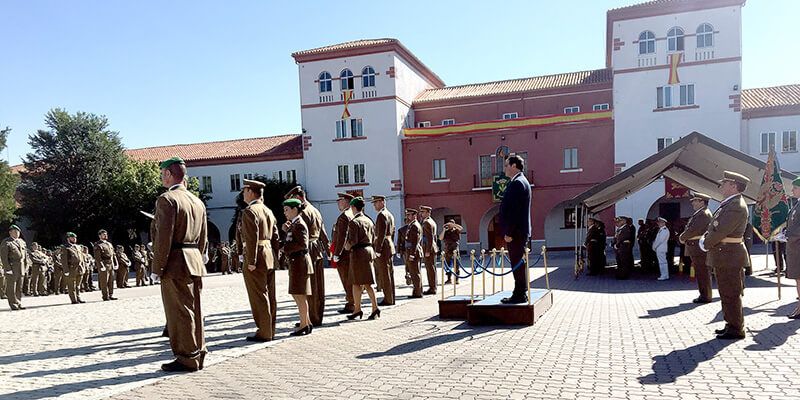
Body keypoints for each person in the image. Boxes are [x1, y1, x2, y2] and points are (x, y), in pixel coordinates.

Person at [152, 157, 208, 372]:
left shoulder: (167, 199)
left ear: (168, 174)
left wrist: (157, 268)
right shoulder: (197, 201)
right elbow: (202, 236)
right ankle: (198, 351)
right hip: (193, 259)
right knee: (195, 308)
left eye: (162, 173)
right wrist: (199, 256)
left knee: (179, 312)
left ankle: (186, 357)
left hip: (175, 261)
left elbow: (163, 238)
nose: (161, 177)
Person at [700, 171, 750, 340]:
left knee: (731, 292)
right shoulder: (730, 204)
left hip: (729, 255)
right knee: (726, 291)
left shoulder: (736, 205)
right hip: (725, 254)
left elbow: (721, 230)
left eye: (725, 183)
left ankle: (736, 328)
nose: (721, 186)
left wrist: (705, 243)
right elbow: (715, 227)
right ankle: (730, 324)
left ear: (734, 186)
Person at [240, 179, 279, 342]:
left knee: (259, 295)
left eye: (244, 190)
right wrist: (276, 257)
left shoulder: (250, 211)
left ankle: (264, 331)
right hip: (268, 255)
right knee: (270, 295)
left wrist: (251, 260)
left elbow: (251, 238)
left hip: (257, 257)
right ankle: (270, 328)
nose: (243, 194)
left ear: (250, 192)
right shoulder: (267, 210)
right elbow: (275, 237)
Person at [285, 185, 329, 327]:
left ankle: (309, 318)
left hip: (307, 249)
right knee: (318, 286)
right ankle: (316, 316)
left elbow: (297, 235)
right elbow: (323, 232)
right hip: (317, 248)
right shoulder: (315, 210)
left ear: (298, 197)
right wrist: (328, 249)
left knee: (308, 287)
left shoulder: (302, 213)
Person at [499, 154, 532, 304]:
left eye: (506, 165)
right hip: (519, 232)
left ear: (514, 166)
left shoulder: (518, 183)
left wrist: (509, 232)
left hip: (516, 233)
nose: (504, 168)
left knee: (517, 264)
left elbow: (514, 211)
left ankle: (519, 294)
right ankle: (520, 292)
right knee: (519, 264)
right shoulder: (521, 181)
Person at [344, 196, 380, 320]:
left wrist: (346, 247)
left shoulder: (354, 222)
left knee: (360, 283)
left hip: (358, 253)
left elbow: (352, 241)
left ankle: (369, 308)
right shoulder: (369, 220)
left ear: (353, 207)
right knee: (362, 283)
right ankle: (360, 309)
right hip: (369, 251)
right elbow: (374, 237)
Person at [281, 198, 313, 336]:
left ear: (295, 209)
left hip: (300, 261)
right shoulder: (294, 224)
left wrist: (285, 248)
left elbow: (302, 244)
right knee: (297, 294)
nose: (285, 213)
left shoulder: (299, 224)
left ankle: (304, 325)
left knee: (300, 295)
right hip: (296, 262)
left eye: (287, 210)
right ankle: (306, 321)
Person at [679, 192, 714, 303]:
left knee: (702, 272)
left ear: (702, 202)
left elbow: (693, 230)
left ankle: (705, 296)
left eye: (695, 201)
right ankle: (704, 294)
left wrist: (682, 237)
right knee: (701, 272)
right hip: (696, 246)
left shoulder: (703, 214)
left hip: (698, 247)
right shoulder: (700, 213)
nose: (693, 203)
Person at [331, 192, 355, 314]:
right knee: (350, 279)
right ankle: (352, 301)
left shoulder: (344, 216)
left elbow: (342, 237)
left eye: (339, 200)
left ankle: (352, 303)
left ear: (346, 201)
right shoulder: (351, 215)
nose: (338, 202)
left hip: (344, 254)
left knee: (346, 278)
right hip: (349, 252)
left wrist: (337, 254)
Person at [371, 195, 396, 306]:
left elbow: (381, 234)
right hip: (389, 245)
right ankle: (391, 297)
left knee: (385, 273)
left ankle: (388, 299)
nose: (374, 205)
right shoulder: (389, 214)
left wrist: (378, 249)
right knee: (389, 273)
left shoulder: (382, 215)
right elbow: (393, 231)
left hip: (383, 246)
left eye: (376, 202)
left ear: (382, 202)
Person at [2, 225, 30, 310]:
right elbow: (4, 257)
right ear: (10, 232)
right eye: (14, 232)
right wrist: (7, 269)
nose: (16, 233)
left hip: (21, 268)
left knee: (19, 287)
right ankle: (13, 303)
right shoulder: (6, 242)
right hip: (12, 267)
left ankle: (18, 302)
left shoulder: (22, 242)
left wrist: (26, 266)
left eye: (18, 232)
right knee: (11, 287)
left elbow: (25, 256)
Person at [784, 178, 800, 318]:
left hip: (798, 247)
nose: (792, 190)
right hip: (795, 248)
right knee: (798, 279)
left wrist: (788, 236)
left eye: (795, 187)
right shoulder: (797, 205)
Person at [403, 209, 424, 298]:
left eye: (409, 215)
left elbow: (414, 242)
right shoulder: (413, 225)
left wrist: (412, 254)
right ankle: (417, 291)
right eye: (407, 215)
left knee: (415, 273)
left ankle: (417, 293)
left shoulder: (414, 226)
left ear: (414, 215)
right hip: (413, 250)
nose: (407, 217)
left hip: (413, 252)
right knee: (414, 272)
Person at [419, 206, 438, 295]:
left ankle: (432, 288)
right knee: (432, 268)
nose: (421, 214)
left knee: (430, 269)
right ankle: (433, 286)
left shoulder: (427, 222)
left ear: (428, 213)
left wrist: (427, 250)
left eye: (423, 212)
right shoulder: (431, 221)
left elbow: (430, 238)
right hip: (431, 247)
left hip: (429, 247)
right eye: (421, 212)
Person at [61, 232, 85, 305]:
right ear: (68, 238)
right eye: (72, 237)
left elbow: (82, 258)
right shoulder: (65, 247)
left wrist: (83, 267)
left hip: (79, 267)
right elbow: (64, 260)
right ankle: (73, 299)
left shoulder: (78, 247)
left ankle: (78, 297)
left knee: (78, 285)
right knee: (71, 285)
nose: (74, 239)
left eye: (75, 237)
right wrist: (66, 270)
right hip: (71, 267)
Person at [94, 230, 118, 301]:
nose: (105, 235)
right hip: (104, 263)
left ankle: (110, 294)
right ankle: (105, 296)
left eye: (106, 234)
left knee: (111, 280)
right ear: (100, 236)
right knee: (104, 281)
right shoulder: (98, 245)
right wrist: (101, 266)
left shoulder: (109, 244)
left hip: (111, 263)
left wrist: (116, 263)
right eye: (103, 234)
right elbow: (98, 257)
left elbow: (113, 255)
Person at [439, 219, 462, 285]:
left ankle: (457, 279)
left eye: (451, 224)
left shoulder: (456, 230)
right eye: (449, 224)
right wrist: (444, 229)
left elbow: (461, 228)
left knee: (456, 265)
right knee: (448, 265)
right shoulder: (446, 231)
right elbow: (440, 238)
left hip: (455, 249)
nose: (449, 225)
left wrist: (453, 225)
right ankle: (449, 279)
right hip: (447, 249)